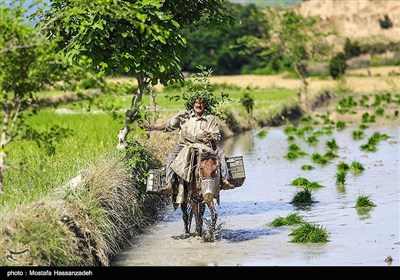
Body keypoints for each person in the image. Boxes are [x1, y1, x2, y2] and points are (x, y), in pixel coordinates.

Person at [142, 97, 234, 195]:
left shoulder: (210, 118)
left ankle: (224, 180)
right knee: (171, 157)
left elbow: (216, 135)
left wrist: (211, 138)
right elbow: (167, 126)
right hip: (184, 145)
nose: (199, 105)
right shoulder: (183, 115)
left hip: (204, 146)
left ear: (205, 105)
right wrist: (151, 127)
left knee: (221, 154)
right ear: (192, 104)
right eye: (196, 103)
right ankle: (170, 184)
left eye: (202, 103)